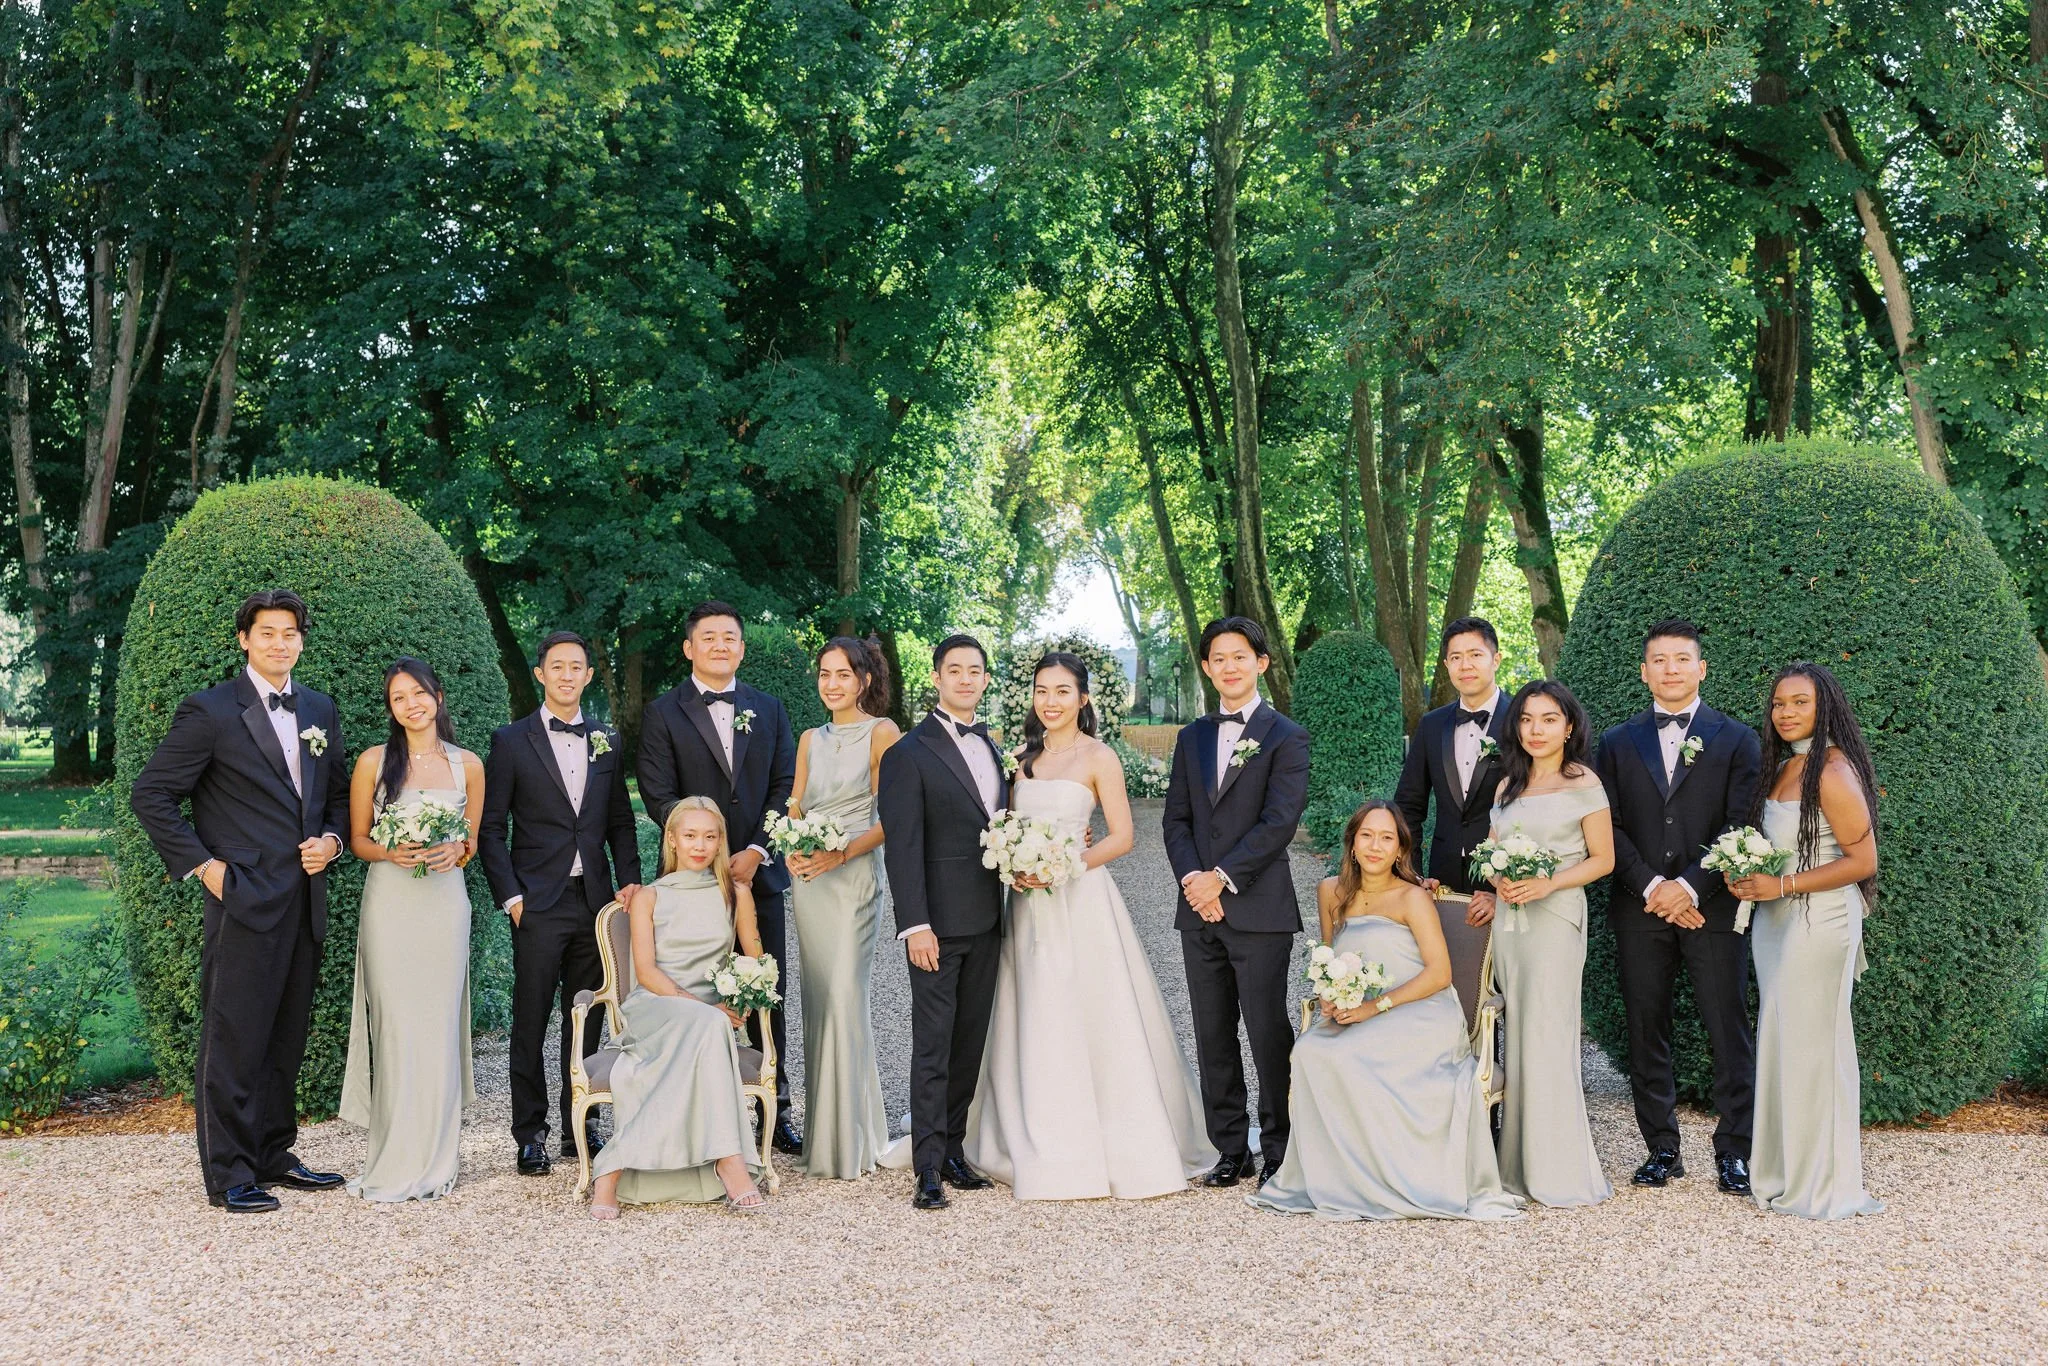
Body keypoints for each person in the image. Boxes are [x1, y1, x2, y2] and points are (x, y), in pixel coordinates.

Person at [129, 589, 350, 1213]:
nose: (281, 643)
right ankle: (229, 1172)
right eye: (268, 633)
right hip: (243, 898)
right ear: (245, 640)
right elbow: (152, 794)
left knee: (286, 1037)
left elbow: (335, 796)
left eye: (290, 633)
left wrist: (332, 840)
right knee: (234, 1038)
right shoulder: (209, 711)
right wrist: (205, 867)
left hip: (305, 896)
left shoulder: (320, 709)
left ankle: (274, 1155)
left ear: (302, 640)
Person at [965, 653, 1216, 1199]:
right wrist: (1016, 866)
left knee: (1092, 1008)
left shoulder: (1100, 757)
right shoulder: (1022, 760)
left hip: (1080, 899)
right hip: (1028, 904)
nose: (1050, 701)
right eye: (1041, 691)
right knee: (1029, 1006)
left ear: (1083, 698)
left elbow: (1123, 836)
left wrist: (1063, 865)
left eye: (1062, 691)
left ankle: (1110, 1140)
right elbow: (1006, 827)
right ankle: (1030, 1130)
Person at [1250, 802, 1523, 1223]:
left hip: (1417, 1010)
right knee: (1310, 1053)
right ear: (1352, 843)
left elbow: (1439, 973)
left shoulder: (1412, 897)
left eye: (1386, 838)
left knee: (1355, 1057)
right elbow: (1329, 958)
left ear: (1400, 850)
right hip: (1357, 1008)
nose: (1375, 846)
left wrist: (1374, 1007)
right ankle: (1341, 1179)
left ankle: (1396, 1178)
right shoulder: (1330, 892)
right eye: (1366, 836)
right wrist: (1329, 995)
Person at [1591, 619, 1763, 1195]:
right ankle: (1661, 1148)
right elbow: (1607, 826)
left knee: (1727, 1026)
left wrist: (1688, 887)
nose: (1671, 669)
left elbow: (1742, 823)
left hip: (1711, 908)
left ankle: (1734, 1151)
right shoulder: (1615, 743)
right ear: (1644, 671)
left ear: (1701, 668)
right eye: (1659, 660)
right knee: (1647, 1028)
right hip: (1638, 908)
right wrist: (1651, 889)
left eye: (1682, 659)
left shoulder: (1738, 739)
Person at [636, 601, 800, 1154]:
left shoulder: (771, 709)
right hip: (689, 884)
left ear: (742, 647)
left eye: (730, 637)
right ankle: (685, 1112)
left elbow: (784, 788)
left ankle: (773, 1110)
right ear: (689, 647)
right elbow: (657, 793)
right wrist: (702, 850)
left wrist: (754, 850)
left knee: (763, 987)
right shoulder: (663, 712)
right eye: (709, 638)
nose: (720, 645)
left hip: (757, 876)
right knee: (692, 991)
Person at [478, 631, 642, 1176]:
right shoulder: (510, 741)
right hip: (538, 902)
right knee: (530, 1019)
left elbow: (619, 820)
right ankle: (530, 1133)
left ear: (589, 675)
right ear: (542, 674)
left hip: (594, 901)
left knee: (587, 1015)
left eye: (578, 666)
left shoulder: (607, 740)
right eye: (558, 666)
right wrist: (512, 896)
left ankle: (581, 1120)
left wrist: (629, 884)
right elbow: (492, 828)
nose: (568, 675)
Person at [1161, 616, 1311, 1188]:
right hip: (1197, 909)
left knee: (1268, 1029)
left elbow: (1279, 822)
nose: (1229, 666)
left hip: (1259, 909)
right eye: (1218, 658)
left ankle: (1279, 1146)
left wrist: (1221, 878)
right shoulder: (1191, 737)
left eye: (1240, 656)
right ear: (1207, 667)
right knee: (1212, 1029)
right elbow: (1175, 821)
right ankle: (1231, 1148)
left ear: (1261, 662)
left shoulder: (1286, 736)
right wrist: (1194, 882)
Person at [1728, 662, 1882, 1219]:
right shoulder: (1786, 768)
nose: (1786, 712)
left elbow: (1863, 861)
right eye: (1778, 704)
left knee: (1813, 1046)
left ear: (1826, 706)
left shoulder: (1832, 771)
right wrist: (1747, 876)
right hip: (1775, 922)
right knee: (1784, 1040)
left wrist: (1783, 883)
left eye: (1800, 702)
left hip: (1820, 923)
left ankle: (1822, 1181)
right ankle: (1785, 1169)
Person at [339, 658, 481, 1201]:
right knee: (396, 1028)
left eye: (419, 694)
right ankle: (393, 1154)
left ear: (438, 697)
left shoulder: (468, 765)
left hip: (444, 906)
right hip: (392, 905)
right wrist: (393, 851)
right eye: (399, 698)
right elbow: (357, 841)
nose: (411, 704)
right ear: (392, 709)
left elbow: (472, 843)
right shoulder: (374, 763)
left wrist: (458, 849)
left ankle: (439, 1157)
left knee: (439, 1026)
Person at [1472, 680, 1615, 1207]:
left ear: (1569, 727)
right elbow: (1492, 853)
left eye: (1549, 719)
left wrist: (1548, 882)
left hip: (1555, 920)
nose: (1536, 729)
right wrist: (1495, 883)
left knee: (1548, 1035)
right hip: (1511, 924)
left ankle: (1557, 1168)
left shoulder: (1585, 783)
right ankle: (1516, 1165)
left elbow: (1604, 859)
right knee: (1518, 1031)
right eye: (1528, 719)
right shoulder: (1506, 786)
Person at [588, 799, 768, 1217]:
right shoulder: (648, 896)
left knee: (706, 1029)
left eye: (709, 836)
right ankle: (731, 1162)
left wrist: (738, 996)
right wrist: (701, 1009)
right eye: (690, 836)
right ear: (671, 839)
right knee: (706, 1026)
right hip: (655, 1007)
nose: (699, 846)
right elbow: (646, 972)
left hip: (710, 1017)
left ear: (721, 841)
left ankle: (610, 1170)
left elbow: (755, 959)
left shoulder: (734, 893)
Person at [876, 634, 1008, 1209]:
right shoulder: (907, 754)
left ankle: (954, 1150)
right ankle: (927, 1167)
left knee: (969, 1041)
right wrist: (915, 925)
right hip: (937, 927)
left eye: (974, 671)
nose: (964, 679)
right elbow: (901, 849)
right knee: (932, 1045)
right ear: (936, 677)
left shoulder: (992, 746)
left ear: (984, 679)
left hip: (989, 918)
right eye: (954, 670)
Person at [785, 637, 900, 1179]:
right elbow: (795, 803)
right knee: (818, 998)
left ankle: (853, 1138)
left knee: (844, 996)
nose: (832, 684)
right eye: (825, 674)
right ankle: (826, 1135)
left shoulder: (882, 733)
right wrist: (792, 844)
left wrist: (839, 853)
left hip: (852, 879)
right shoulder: (809, 738)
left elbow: (891, 817)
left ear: (865, 680)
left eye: (843, 675)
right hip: (811, 884)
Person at [1395, 617, 1512, 895]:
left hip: (1508, 879)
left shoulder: (1523, 720)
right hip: (1441, 878)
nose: (1465, 665)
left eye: (1475, 655)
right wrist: (1414, 875)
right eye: (1456, 657)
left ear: (1496, 660)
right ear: (1446, 665)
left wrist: (1509, 887)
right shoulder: (1431, 725)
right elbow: (1408, 805)